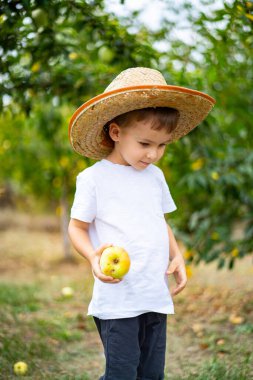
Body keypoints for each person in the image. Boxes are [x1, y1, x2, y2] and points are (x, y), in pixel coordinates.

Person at [68, 67, 215, 380]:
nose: (153, 155)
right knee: (122, 372)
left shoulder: (154, 177)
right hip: (119, 296)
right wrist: (94, 256)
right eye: (146, 143)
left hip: (153, 293)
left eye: (162, 145)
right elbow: (77, 227)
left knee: (151, 373)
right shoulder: (93, 179)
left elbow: (158, 220)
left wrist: (176, 255)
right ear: (116, 132)